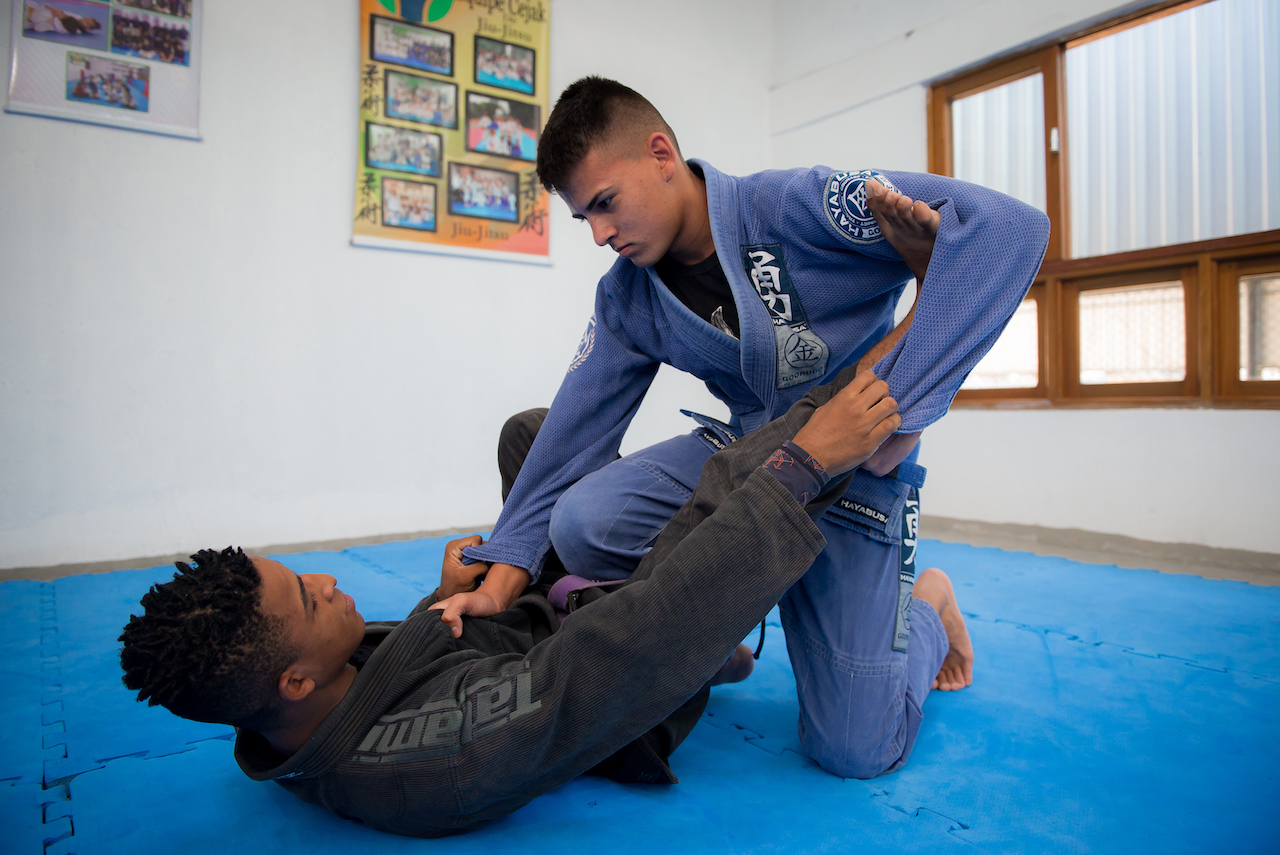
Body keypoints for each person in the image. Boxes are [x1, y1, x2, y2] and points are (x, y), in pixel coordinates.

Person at [453, 76, 1047, 778]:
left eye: (606, 203)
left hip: (854, 482)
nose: (601, 234)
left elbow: (1010, 229)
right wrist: (502, 571)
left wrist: (897, 408)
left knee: (856, 750)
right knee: (583, 520)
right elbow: (572, 427)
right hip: (742, 466)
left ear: (660, 153)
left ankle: (926, 604)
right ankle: (707, 638)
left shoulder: (797, 205)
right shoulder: (628, 296)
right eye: (585, 218)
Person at [118, 367, 970, 837]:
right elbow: (630, 642)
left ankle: (765, 496)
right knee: (762, 490)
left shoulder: (290, 706)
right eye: (311, 597)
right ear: (295, 678)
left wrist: (449, 596)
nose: (331, 582)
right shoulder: (436, 761)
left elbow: (398, 671)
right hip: (619, 661)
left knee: (530, 435)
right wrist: (799, 464)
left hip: (540, 622)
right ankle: (909, 576)